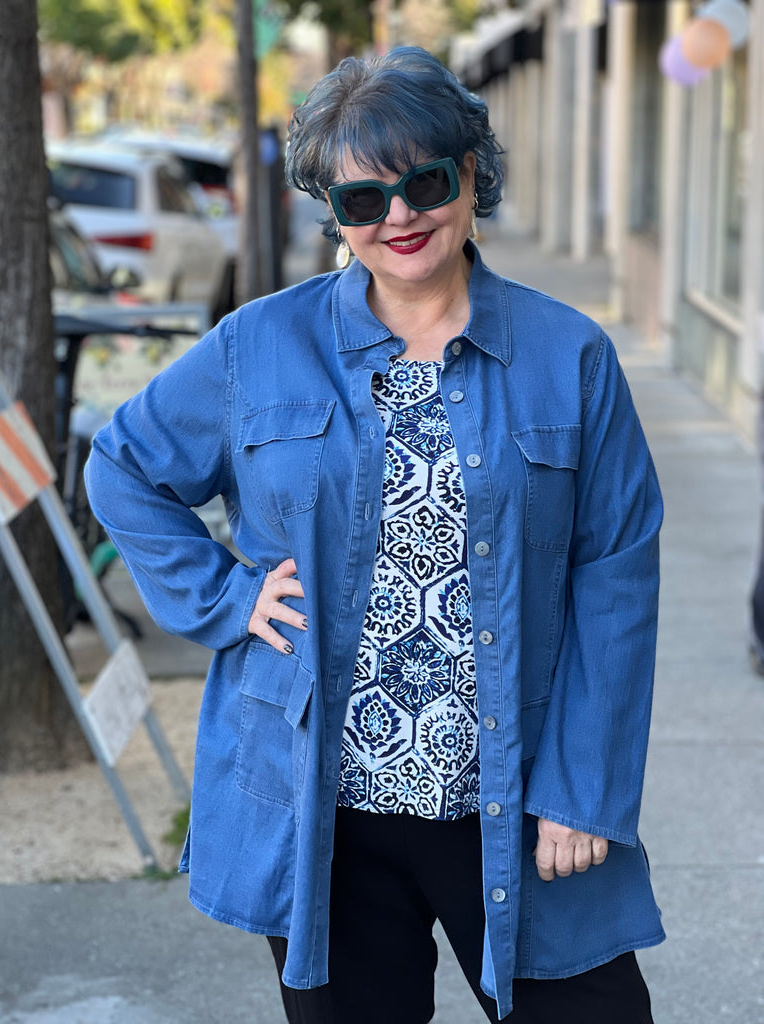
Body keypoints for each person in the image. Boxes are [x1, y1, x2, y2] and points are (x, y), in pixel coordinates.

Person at [85, 46, 665, 1024]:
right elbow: (123, 466)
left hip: (519, 796)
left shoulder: (570, 354)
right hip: (326, 807)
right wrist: (228, 599)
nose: (398, 216)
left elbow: (617, 573)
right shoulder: (259, 345)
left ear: (470, 173)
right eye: (362, 199)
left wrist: (584, 788)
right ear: (334, 212)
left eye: (424, 182)